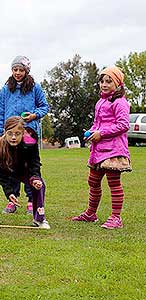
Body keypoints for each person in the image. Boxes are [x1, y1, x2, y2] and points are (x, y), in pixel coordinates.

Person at [72, 66, 131, 229]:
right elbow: (98, 124)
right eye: (102, 81)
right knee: (93, 181)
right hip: (99, 150)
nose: (104, 84)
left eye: (108, 81)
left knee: (113, 182)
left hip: (114, 149)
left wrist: (101, 133)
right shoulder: (100, 102)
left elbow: (123, 125)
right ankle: (91, 213)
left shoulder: (120, 102)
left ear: (117, 83)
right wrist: (91, 131)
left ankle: (116, 217)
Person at [0, 55, 49, 214]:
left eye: (21, 69)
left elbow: (44, 107)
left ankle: (32, 201)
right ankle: (12, 200)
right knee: (10, 165)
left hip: (28, 133)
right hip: (10, 134)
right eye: (15, 69)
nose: (17, 72)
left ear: (26, 71)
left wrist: (34, 115)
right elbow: (1, 112)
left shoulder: (35, 87)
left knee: (29, 166)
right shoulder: (6, 89)